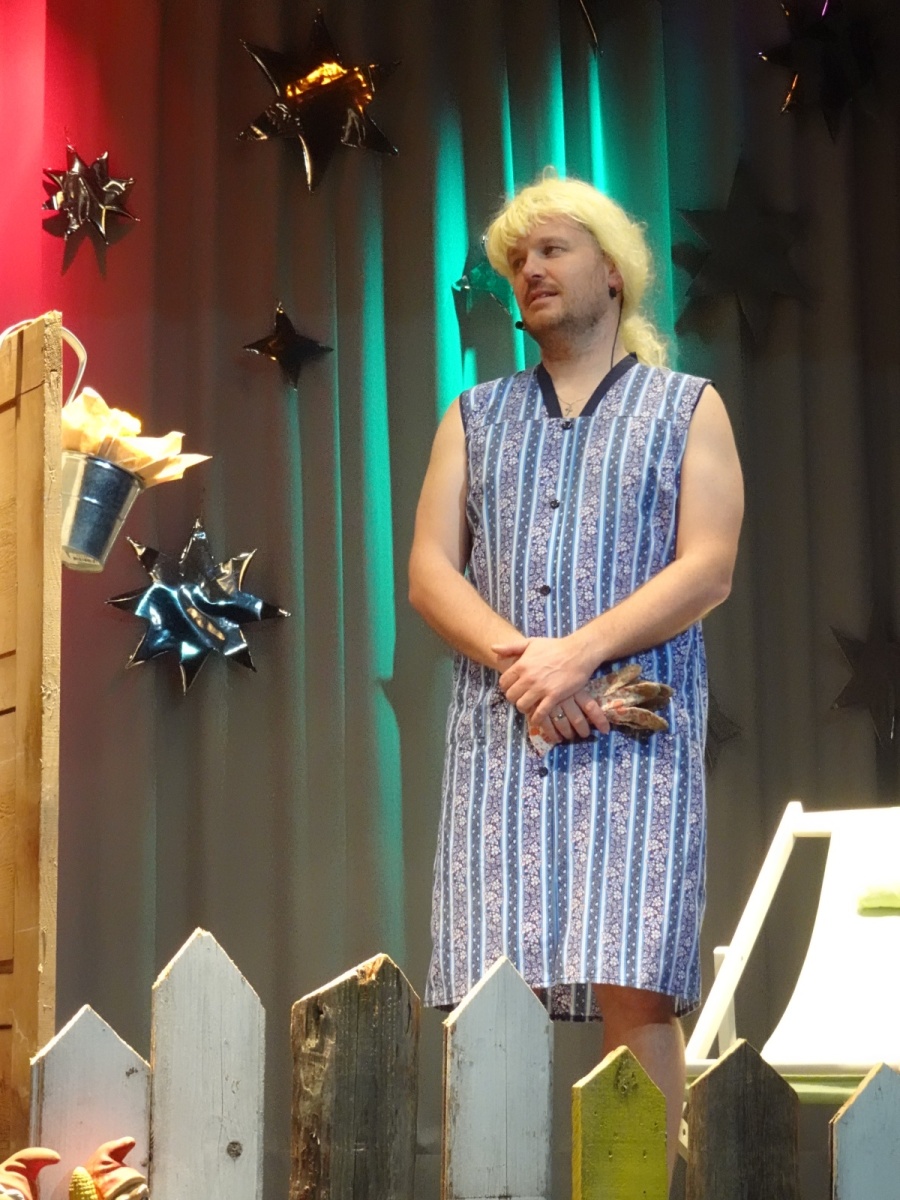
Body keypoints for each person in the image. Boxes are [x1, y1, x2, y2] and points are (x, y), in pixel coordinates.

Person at [408, 174, 743, 1177]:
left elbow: (707, 567)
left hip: (633, 737)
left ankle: (630, 1195)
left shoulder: (687, 407)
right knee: (491, 992)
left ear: (612, 270)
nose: (532, 270)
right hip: (505, 735)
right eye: (519, 259)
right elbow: (430, 572)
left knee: (635, 984)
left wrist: (578, 653)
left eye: (553, 249)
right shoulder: (474, 415)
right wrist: (528, 669)